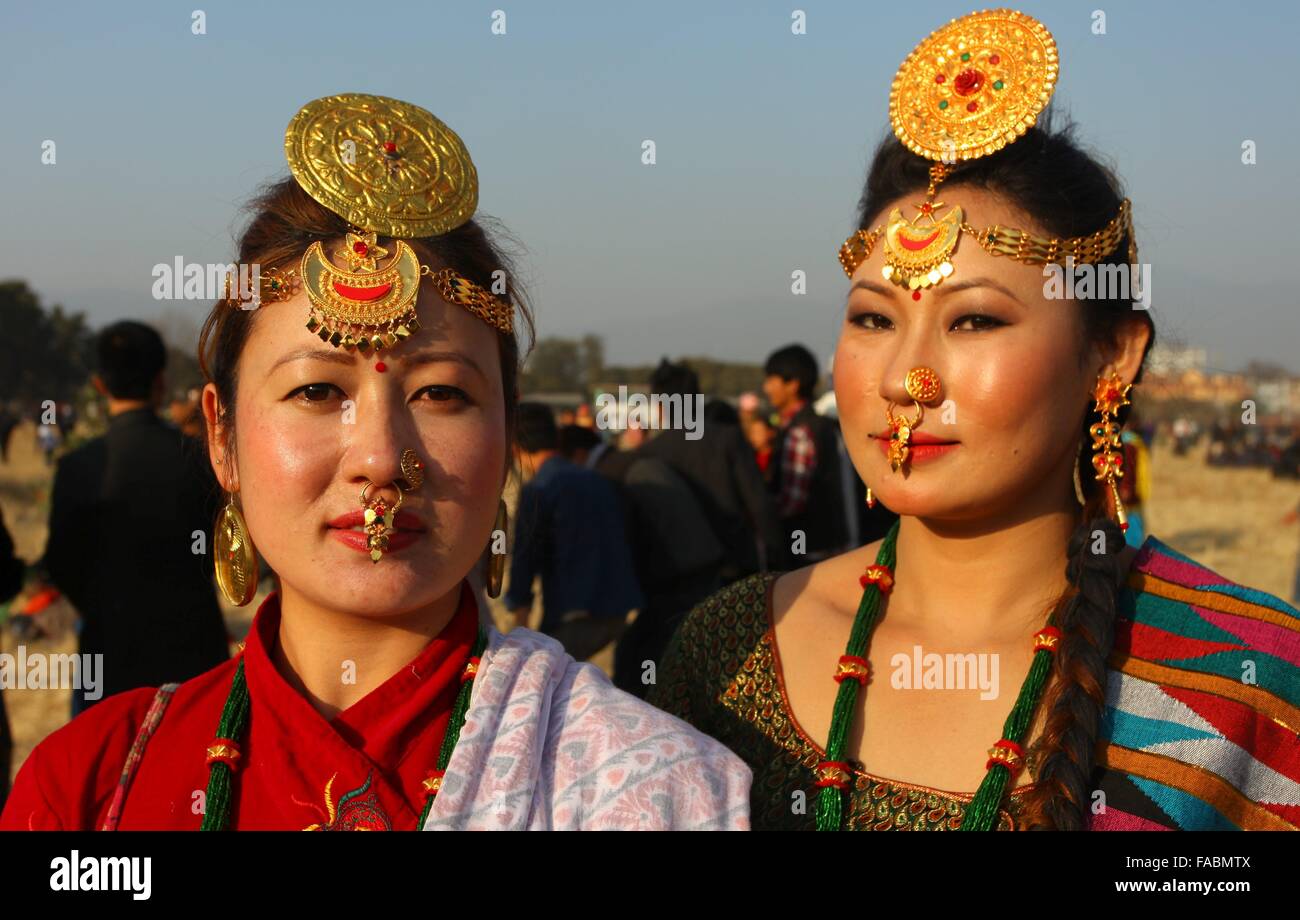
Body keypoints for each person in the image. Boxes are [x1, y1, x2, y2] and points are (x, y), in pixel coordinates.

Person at [1, 94, 748, 831]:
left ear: (507, 431)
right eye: (317, 389)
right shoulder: (90, 789)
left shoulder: (658, 789)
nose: (382, 458)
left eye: (442, 393)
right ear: (222, 437)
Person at [651, 11, 1299, 831]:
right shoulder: (730, 652)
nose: (903, 380)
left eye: (976, 321)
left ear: (1113, 355)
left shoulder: (1251, 687)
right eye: (874, 320)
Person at [41, 320, 229, 716]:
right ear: (161, 382)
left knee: (110, 771)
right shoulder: (197, 457)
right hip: (194, 648)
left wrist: (102, 603)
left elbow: (60, 561)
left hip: (109, 652)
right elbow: (222, 542)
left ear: (99, 384)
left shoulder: (78, 466)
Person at [506, 403, 645, 662]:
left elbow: (525, 559)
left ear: (514, 447)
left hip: (573, 613)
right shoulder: (597, 479)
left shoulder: (538, 490)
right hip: (618, 607)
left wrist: (520, 620)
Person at [762, 344, 849, 563]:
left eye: (772, 381)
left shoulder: (800, 431)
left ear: (792, 385)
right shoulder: (819, 425)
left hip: (808, 547)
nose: (766, 388)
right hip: (830, 543)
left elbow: (793, 502)